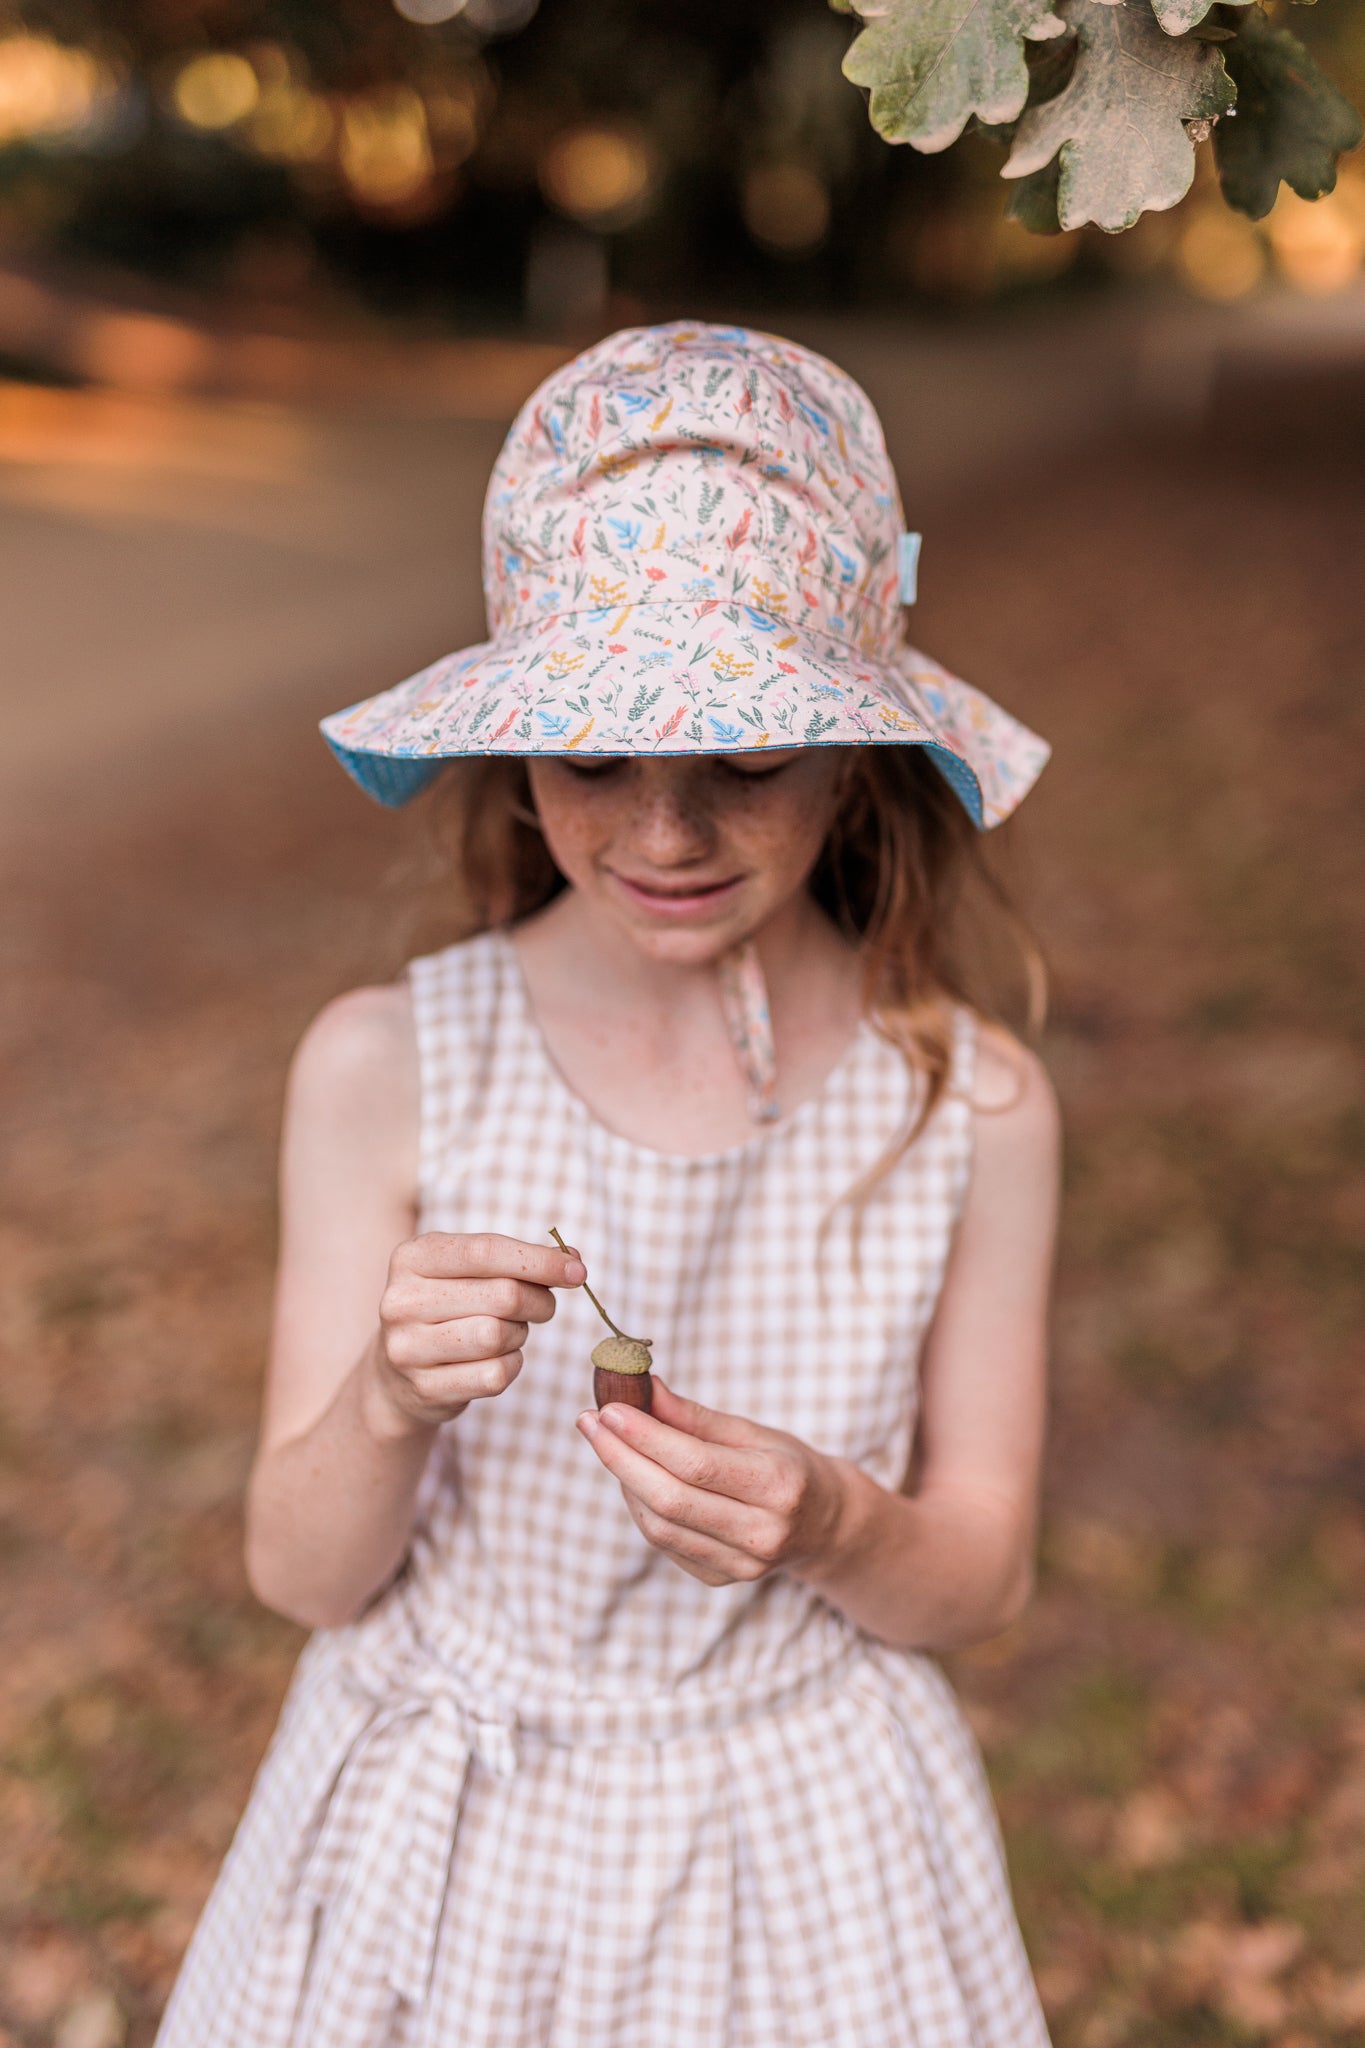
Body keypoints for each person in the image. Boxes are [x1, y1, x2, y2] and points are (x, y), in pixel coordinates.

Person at [156, 322, 1060, 2048]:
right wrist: (388, 1392)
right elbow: (303, 1576)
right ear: (515, 748)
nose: (663, 836)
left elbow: (981, 1580)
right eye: (590, 758)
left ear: (857, 744)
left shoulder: (968, 1105)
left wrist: (833, 1521)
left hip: (803, 1832)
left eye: (744, 760)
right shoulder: (387, 1064)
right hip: (447, 1829)